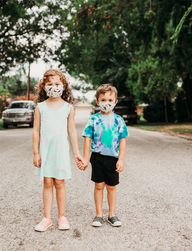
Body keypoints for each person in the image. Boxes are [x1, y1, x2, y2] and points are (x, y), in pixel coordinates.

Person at [32, 69, 85, 232]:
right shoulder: (40, 107)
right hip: (46, 151)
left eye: (57, 84)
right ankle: (47, 218)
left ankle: (62, 216)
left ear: (64, 86)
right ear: (43, 86)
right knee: (47, 182)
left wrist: (76, 153)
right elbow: (35, 131)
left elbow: (71, 131)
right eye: (50, 84)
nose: (53, 87)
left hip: (61, 151)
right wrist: (36, 152)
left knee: (60, 182)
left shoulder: (68, 108)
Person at [82, 83, 128, 227]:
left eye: (110, 100)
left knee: (112, 187)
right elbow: (87, 139)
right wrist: (85, 158)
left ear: (115, 102)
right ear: (97, 101)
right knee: (99, 186)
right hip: (97, 157)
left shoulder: (118, 120)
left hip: (113, 158)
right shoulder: (93, 119)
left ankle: (112, 215)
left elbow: (122, 140)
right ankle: (98, 215)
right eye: (103, 100)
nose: (106, 103)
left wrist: (121, 159)